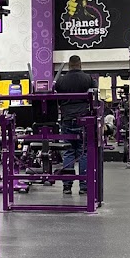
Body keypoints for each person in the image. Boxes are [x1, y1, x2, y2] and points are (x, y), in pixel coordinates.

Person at [54, 54, 95, 195]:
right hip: (83, 120)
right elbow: (94, 98)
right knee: (83, 152)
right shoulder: (88, 79)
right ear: (80, 64)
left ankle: (67, 186)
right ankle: (84, 186)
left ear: (69, 65)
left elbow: (56, 99)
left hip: (66, 120)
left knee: (68, 151)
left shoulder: (61, 81)